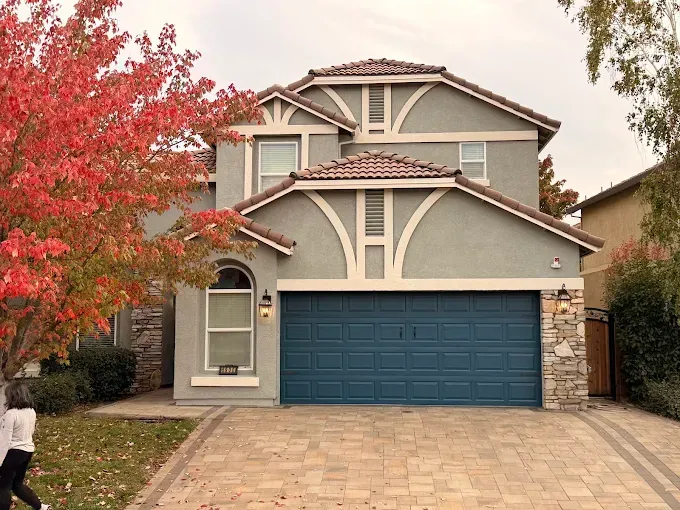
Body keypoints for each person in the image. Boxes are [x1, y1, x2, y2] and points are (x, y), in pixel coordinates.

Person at [0, 381, 49, 510]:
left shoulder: (10, 415)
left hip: (13, 453)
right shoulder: (31, 411)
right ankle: (40, 507)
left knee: (3, 486)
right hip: (27, 451)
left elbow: (4, 441)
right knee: (17, 485)